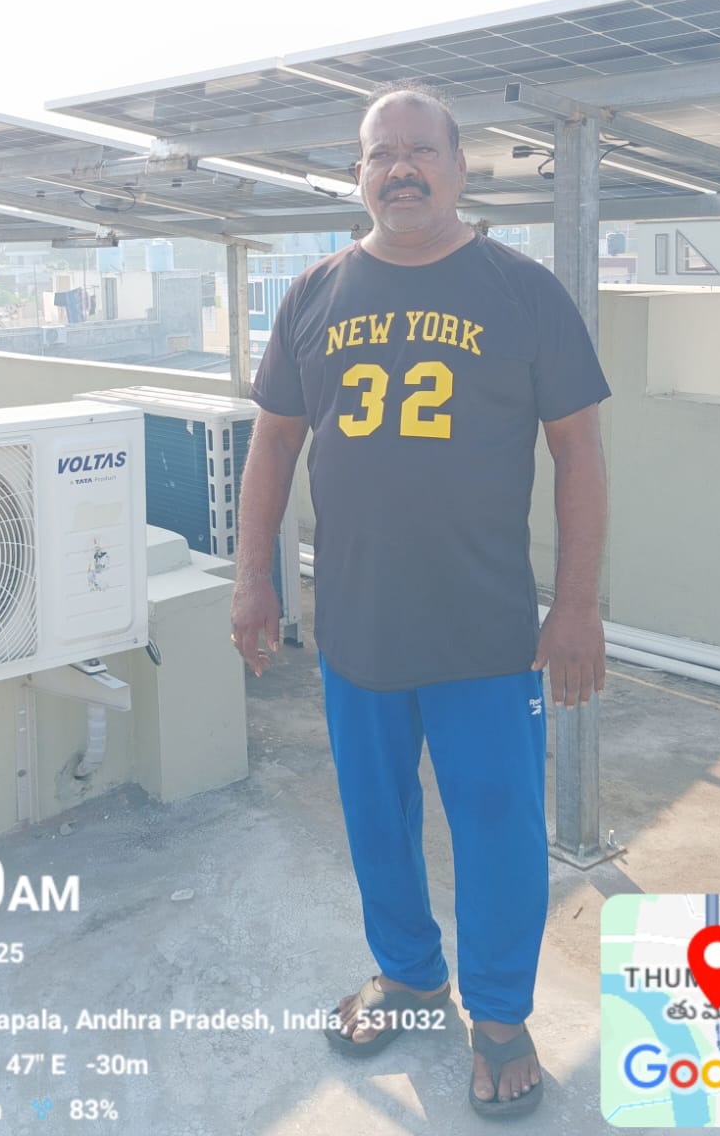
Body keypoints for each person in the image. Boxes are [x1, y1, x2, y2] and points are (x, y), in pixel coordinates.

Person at [231, 85, 609, 1118]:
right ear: (358, 174)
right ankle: (408, 974)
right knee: (376, 820)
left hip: (486, 628)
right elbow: (273, 442)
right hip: (357, 625)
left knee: (498, 826)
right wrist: (254, 577)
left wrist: (577, 605)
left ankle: (500, 1013)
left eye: (420, 151)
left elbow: (578, 450)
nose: (400, 168)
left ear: (459, 166)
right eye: (379, 154)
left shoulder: (522, 290)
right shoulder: (313, 293)